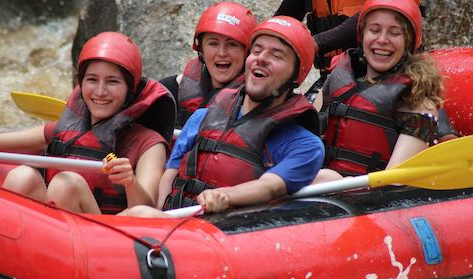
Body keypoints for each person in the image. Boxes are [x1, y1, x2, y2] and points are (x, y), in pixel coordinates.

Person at [0, 31, 176, 215]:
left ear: (130, 90)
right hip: (54, 237)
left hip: (106, 242)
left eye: (113, 82)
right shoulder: (65, 130)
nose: (100, 91)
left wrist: (130, 183)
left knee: (66, 183)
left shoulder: (148, 144)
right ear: (80, 84)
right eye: (92, 80)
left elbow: (148, 211)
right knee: (23, 177)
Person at [121, 16, 325, 217]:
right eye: (256, 50)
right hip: (175, 228)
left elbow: (270, 187)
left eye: (277, 55)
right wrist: (160, 217)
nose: (261, 58)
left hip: (230, 235)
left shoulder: (305, 145)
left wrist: (225, 196)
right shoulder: (203, 116)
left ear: (296, 74)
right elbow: (171, 174)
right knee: (137, 214)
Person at [275, 0, 458, 142]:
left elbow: (380, 17)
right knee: (292, 128)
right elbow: (283, 19)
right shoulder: (337, 77)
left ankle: (446, 137)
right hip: (343, 73)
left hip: (402, 69)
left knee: (438, 129)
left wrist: (309, 43)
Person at [313, 0, 443, 183]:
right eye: (374, 30)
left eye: (395, 33)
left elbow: (393, 183)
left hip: (365, 199)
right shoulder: (337, 77)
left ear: (410, 42)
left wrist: (333, 182)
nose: (382, 39)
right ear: (362, 36)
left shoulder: (419, 99)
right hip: (314, 190)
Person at [159, 2, 257, 129]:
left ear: (247, 52)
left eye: (232, 44)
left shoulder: (255, 103)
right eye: (213, 43)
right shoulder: (169, 92)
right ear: (202, 51)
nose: (222, 53)